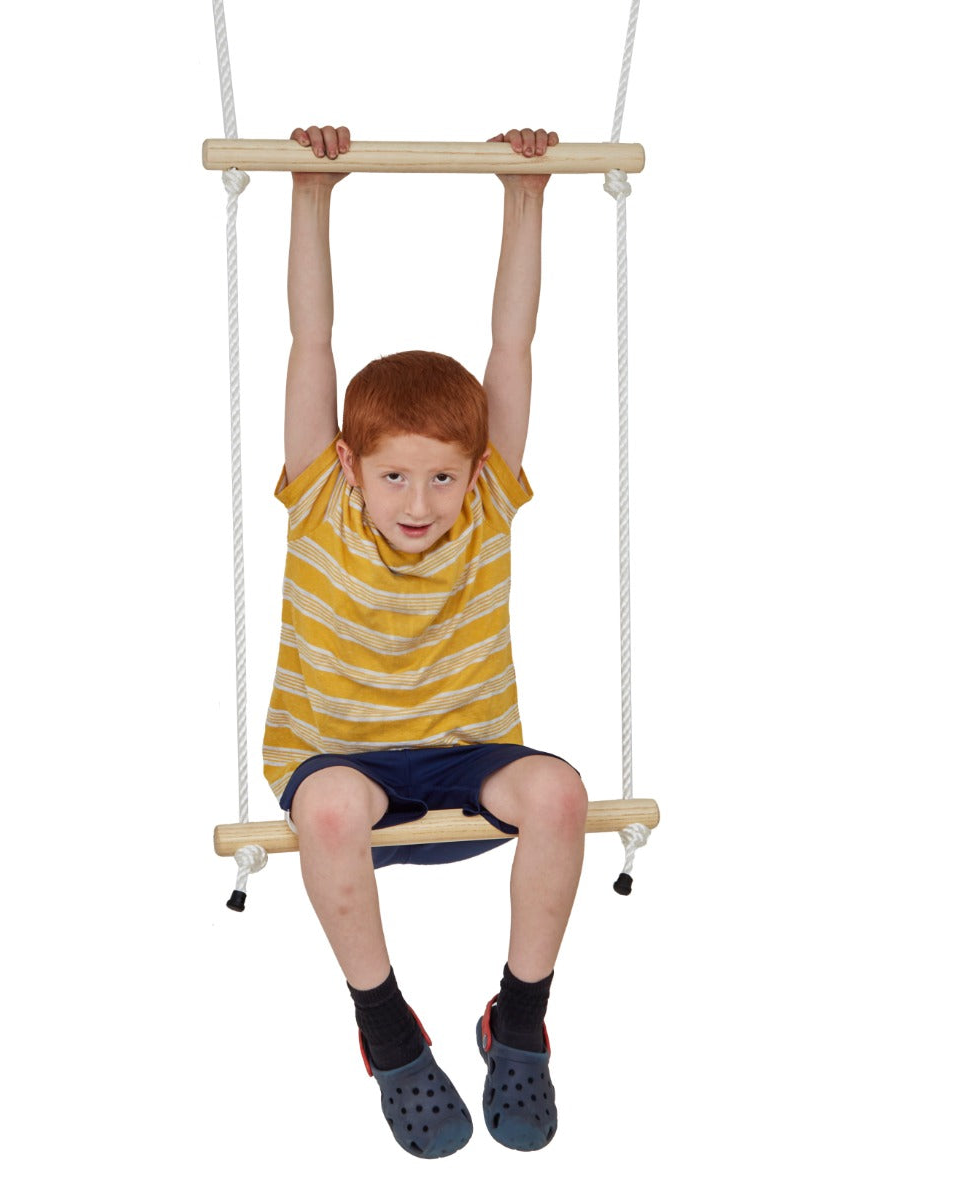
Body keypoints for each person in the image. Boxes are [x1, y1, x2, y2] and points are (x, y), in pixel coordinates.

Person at [263, 123, 588, 1157]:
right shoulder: (319, 504)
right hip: (344, 761)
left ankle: (521, 1016)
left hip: (464, 751)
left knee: (560, 792)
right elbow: (311, 343)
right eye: (395, 475)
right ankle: (387, 1026)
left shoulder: (488, 508)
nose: (420, 500)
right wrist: (315, 191)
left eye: (443, 475)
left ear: (473, 472)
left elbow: (513, 348)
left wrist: (522, 193)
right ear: (350, 468)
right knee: (322, 815)